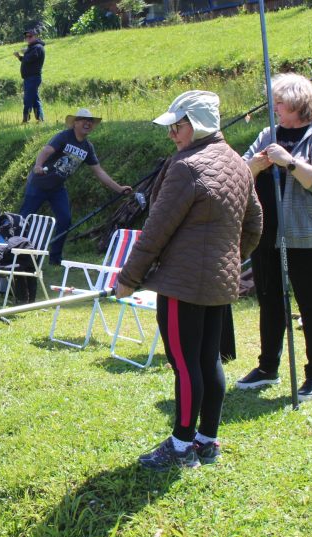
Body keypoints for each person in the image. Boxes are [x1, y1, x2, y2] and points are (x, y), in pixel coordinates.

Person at [115, 91, 263, 471]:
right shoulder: (238, 163)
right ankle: (207, 440)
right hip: (218, 283)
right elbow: (254, 225)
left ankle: (181, 446)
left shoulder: (186, 166)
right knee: (208, 359)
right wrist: (228, 260)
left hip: (182, 285)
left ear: (195, 125)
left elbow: (156, 229)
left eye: (176, 127)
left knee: (184, 364)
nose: (172, 136)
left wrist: (129, 278)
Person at [233, 73, 312, 400]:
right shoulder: (267, 134)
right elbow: (239, 173)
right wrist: (257, 165)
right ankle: (267, 367)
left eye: (280, 103)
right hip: (265, 232)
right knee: (270, 300)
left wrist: (289, 163)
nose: (274, 108)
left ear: (299, 104)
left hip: (307, 233)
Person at [18, 108, 132, 265]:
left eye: (90, 121)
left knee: (65, 219)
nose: (88, 123)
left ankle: (55, 258)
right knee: (24, 218)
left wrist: (119, 188)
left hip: (57, 188)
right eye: (84, 120)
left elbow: (98, 171)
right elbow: (46, 150)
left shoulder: (87, 147)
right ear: (75, 123)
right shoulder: (64, 137)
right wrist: (38, 165)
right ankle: (12, 250)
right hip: (39, 184)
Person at [13, 26, 45, 123]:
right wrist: (19, 57)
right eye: (26, 37)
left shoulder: (37, 47)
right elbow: (27, 60)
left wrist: (25, 52)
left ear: (35, 36)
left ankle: (26, 119)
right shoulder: (32, 48)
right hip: (29, 78)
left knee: (27, 99)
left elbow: (31, 58)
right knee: (35, 99)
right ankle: (40, 119)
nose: (28, 38)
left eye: (30, 36)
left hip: (33, 78)